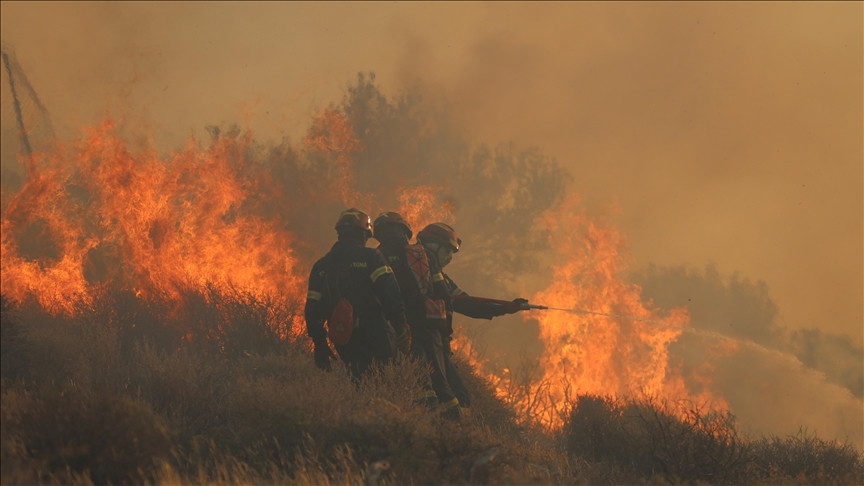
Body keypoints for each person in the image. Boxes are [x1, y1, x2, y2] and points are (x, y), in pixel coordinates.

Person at [415, 222, 531, 417]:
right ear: (434, 246)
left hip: (434, 346)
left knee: (457, 398)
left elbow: (469, 303)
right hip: (425, 346)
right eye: (447, 251)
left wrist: (507, 308)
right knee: (452, 400)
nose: (450, 258)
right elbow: (470, 305)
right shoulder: (425, 277)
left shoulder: (440, 279)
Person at [304, 208, 411, 379]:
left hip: (343, 334)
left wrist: (320, 343)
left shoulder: (321, 266)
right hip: (376, 332)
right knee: (392, 377)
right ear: (364, 234)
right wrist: (401, 324)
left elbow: (313, 308)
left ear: (340, 233)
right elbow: (389, 292)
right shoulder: (371, 257)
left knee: (359, 380)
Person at [373, 212, 459, 418]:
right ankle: (456, 430)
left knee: (418, 378)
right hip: (430, 328)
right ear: (406, 231)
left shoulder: (375, 256)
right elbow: (444, 296)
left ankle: (427, 422)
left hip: (400, 327)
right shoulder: (423, 255)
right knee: (442, 384)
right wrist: (445, 335)